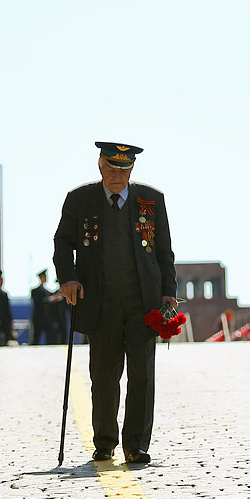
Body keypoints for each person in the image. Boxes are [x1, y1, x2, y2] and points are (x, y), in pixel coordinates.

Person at [53, 141, 177, 464]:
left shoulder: (151, 200)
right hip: (101, 302)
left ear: (132, 169)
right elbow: (62, 243)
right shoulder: (80, 200)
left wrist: (169, 292)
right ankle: (105, 441)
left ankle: (136, 444)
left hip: (143, 303)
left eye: (123, 169)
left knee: (141, 375)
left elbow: (164, 252)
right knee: (104, 375)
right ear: (99, 166)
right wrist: (68, 278)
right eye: (111, 168)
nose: (117, 176)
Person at [0, 270, 15, 345]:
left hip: (5, 320)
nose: (1, 282)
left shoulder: (4, 294)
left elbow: (7, 309)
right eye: (0, 280)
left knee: (6, 339)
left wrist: (10, 321)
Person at [30, 269, 52, 345]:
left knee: (49, 339)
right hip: (38, 319)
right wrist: (50, 299)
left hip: (46, 319)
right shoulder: (35, 291)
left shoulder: (48, 292)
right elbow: (38, 301)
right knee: (36, 338)